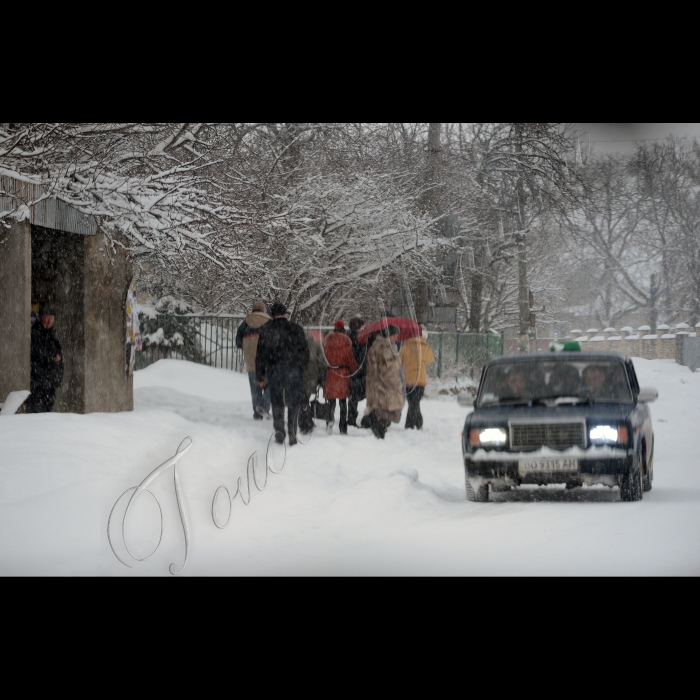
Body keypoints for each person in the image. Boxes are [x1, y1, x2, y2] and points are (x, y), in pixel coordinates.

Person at [255, 302, 309, 445]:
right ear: (285, 314)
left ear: (272, 315)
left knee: (277, 402)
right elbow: (305, 352)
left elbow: (260, 355)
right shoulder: (296, 329)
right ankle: (292, 431)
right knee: (293, 402)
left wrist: (260, 376)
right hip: (294, 370)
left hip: (275, 370)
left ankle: (279, 431)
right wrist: (301, 368)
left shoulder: (266, 330)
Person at [364, 325, 405, 439]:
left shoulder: (375, 346)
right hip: (385, 387)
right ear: (389, 335)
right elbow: (390, 370)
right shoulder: (387, 349)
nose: (396, 338)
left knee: (379, 411)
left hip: (376, 385)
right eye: (395, 336)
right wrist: (396, 383)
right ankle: (380, 436)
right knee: (385, 413)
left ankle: (377, 432)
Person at [235, 301, 272, 420]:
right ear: (263, 310)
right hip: (267, 361)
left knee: (255, 389)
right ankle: (265, 408)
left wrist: (248, 348)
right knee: (269, 387)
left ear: (253, 310)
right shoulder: (269, 323)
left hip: (251, 362)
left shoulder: (245, 324)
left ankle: (257, 412)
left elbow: (238, 342)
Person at [323, 320, 357, 435]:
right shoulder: (347, 345)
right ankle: (343, 426)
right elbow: (351, 362)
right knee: (343, 403)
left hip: (331, 373)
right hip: (343, 374)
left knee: (330, 402)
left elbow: (324, 360)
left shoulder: (327, 344)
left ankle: (329, 421)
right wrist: (353, 370)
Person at [30, 304, 64, 413]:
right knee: (40, 412)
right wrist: (53, 358)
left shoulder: (51, 335)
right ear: (40, 318)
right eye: (47, 318)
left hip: (50, 382)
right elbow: (40, 354)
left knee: (47, 411)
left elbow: (58, 353)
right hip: (40, 382)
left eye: (52, 318)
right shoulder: (37, 333)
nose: (49, 321)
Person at [399, 329, 434, 429]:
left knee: (412, 402)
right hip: (420, 379)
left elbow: (400, 361)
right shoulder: (424, 348)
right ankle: (413, 423)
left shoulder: (405, 347)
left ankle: (415, 423)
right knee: (415, 402)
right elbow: (430, 359)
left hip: (408, 380)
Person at [298, 331, 327, 434]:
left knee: (303, 399)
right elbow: (322, 363)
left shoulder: (296, 344)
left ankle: (304, 422)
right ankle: (306, 422)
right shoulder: (316, 345)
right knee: (306, 398)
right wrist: (322, 379)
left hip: (299, 376)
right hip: (312, 376)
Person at [347, 317, 367, 428]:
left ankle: (350, 416)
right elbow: (362, 355)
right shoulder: (361, 339)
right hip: (359, 371)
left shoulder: (347, 336)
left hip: (349, 370)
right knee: (357, 394)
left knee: (352, 396)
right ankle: (352, 418)